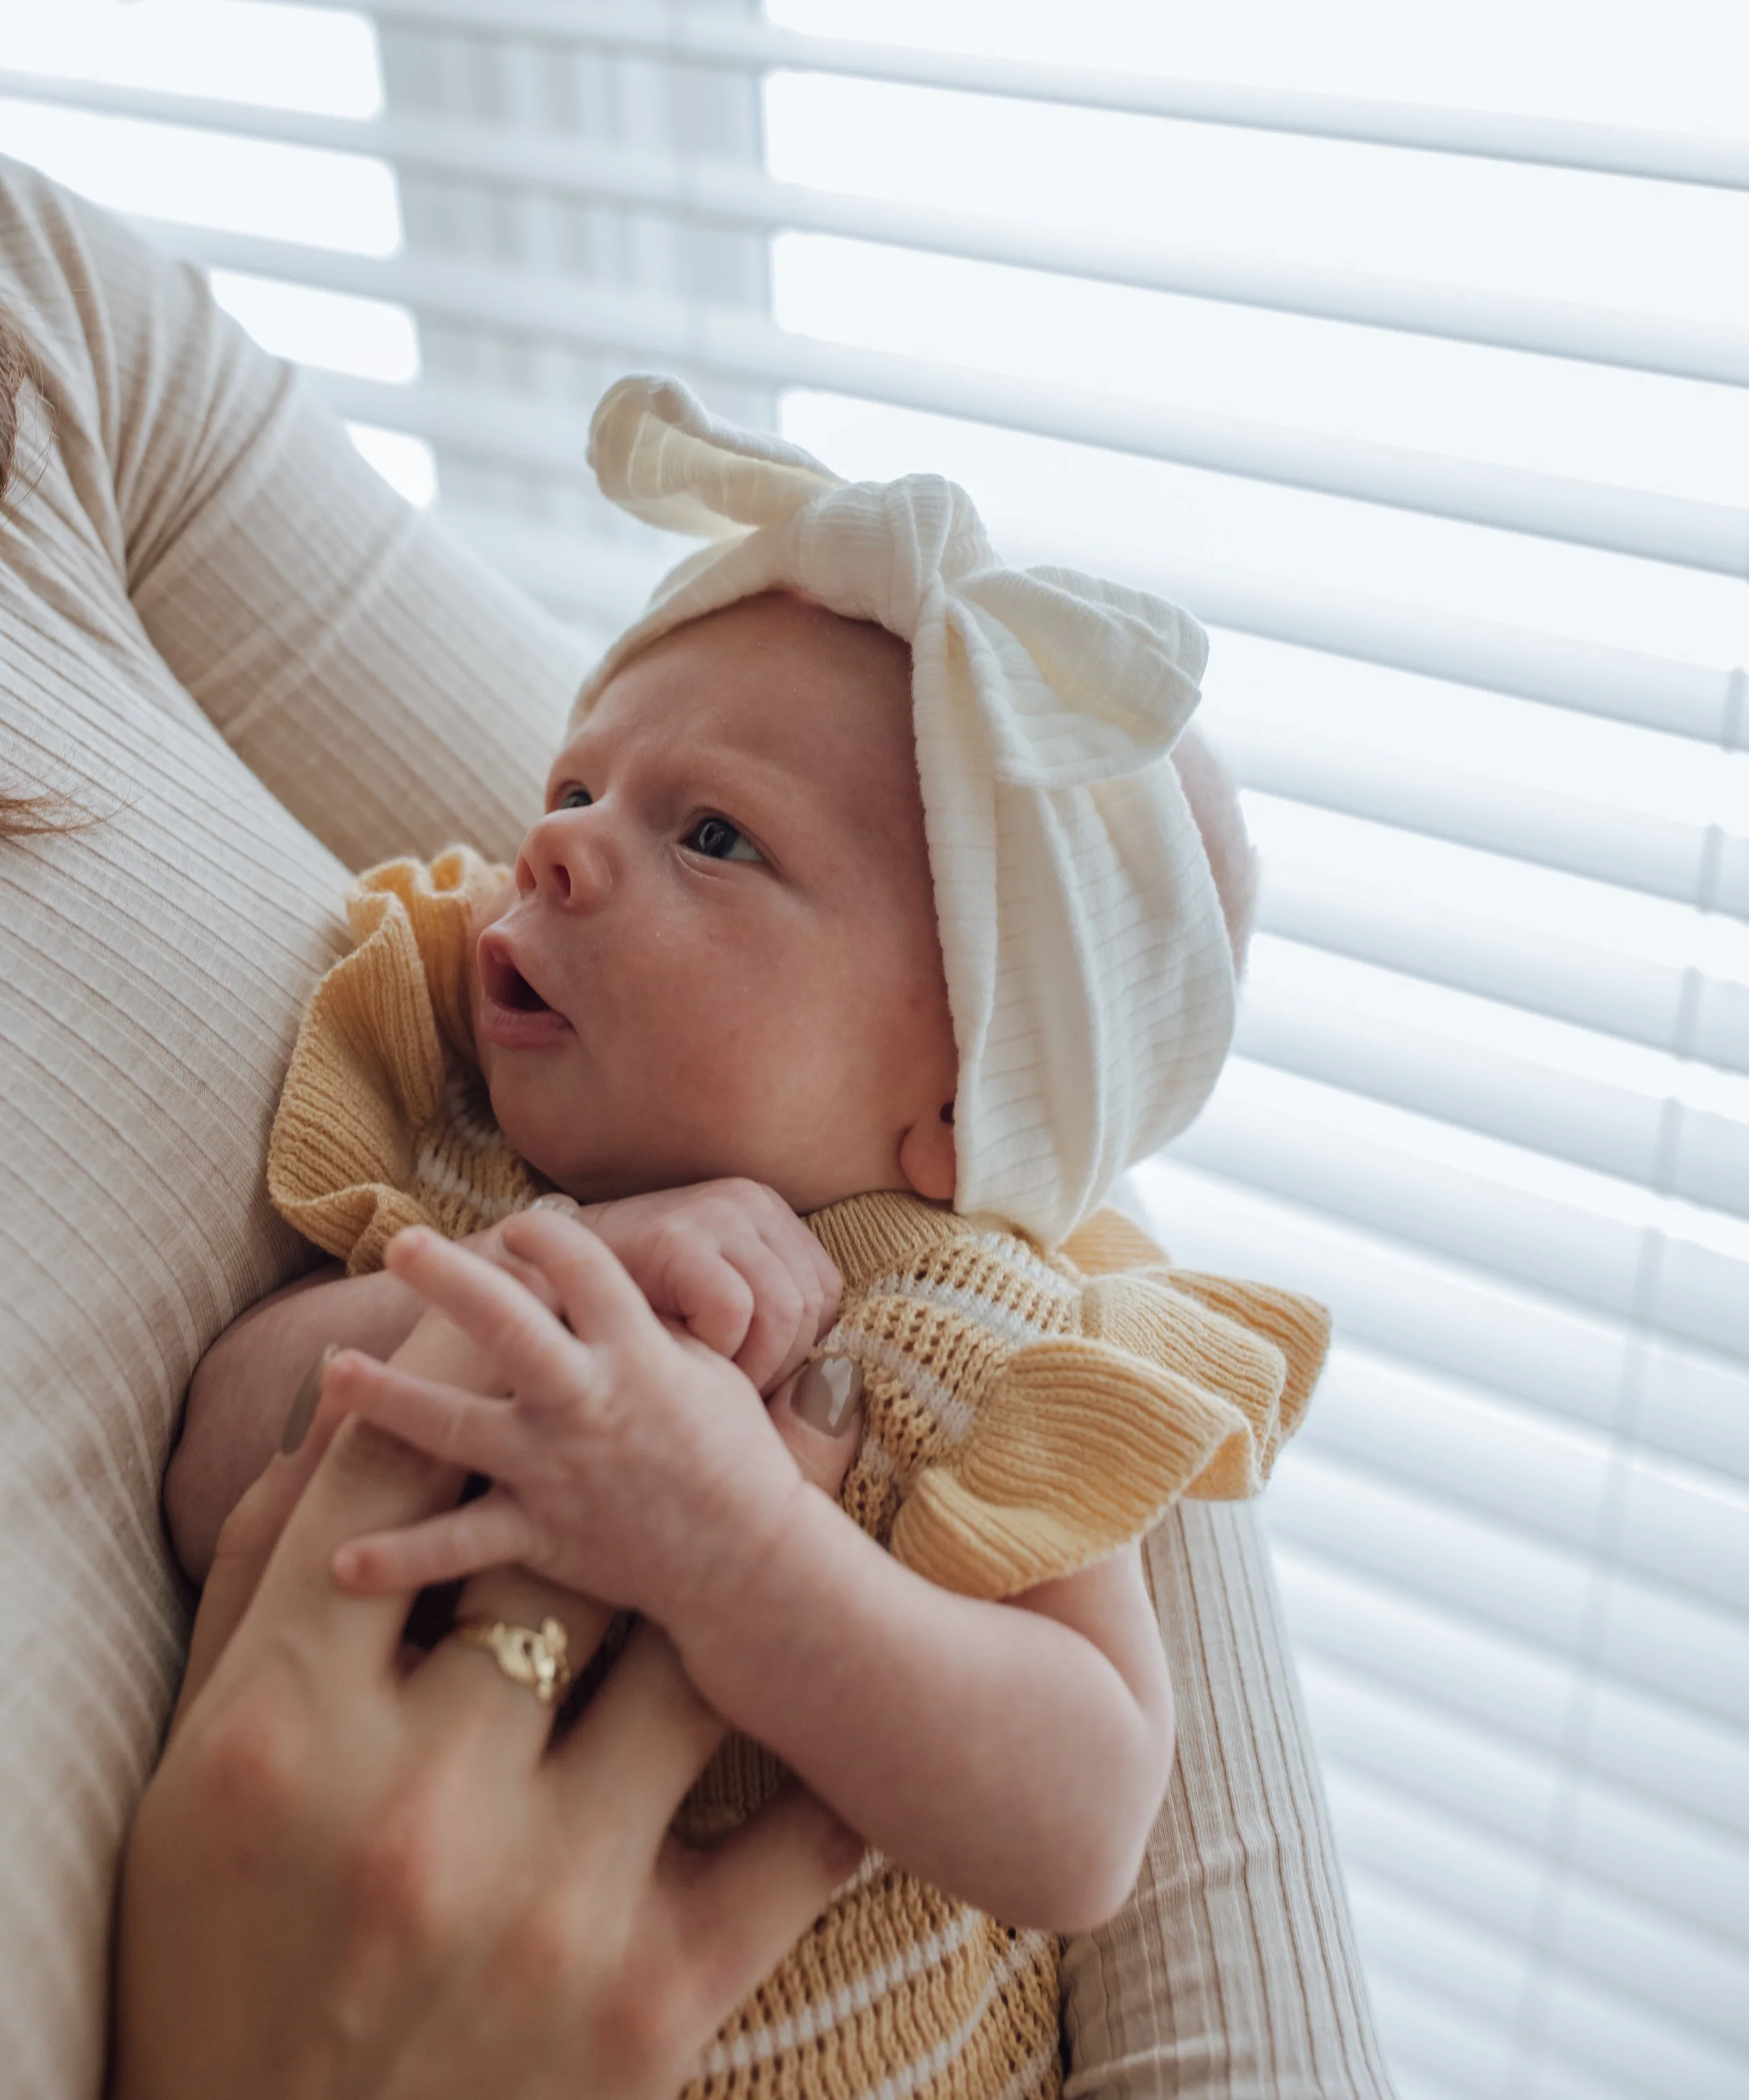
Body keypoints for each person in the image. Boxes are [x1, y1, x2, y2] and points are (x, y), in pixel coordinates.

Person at [0, 155, 1394, 2098]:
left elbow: (1087, 1808)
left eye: (711, 833)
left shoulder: (985, 1341)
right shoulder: (461, 1167)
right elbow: (209, 1463)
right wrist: (488, 1299)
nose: (552, 836)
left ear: (952, 1103)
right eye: (575, 779)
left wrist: (744, 1556)